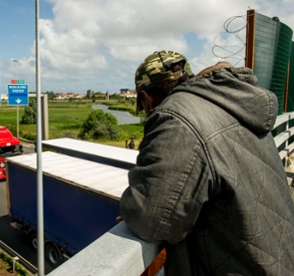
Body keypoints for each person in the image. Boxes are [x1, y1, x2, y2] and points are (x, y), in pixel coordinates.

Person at [119, 50, 294, 275]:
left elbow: (149, 219)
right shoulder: (229, 103)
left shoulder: (176, 118)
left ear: (146, 97)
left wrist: (135, 202)